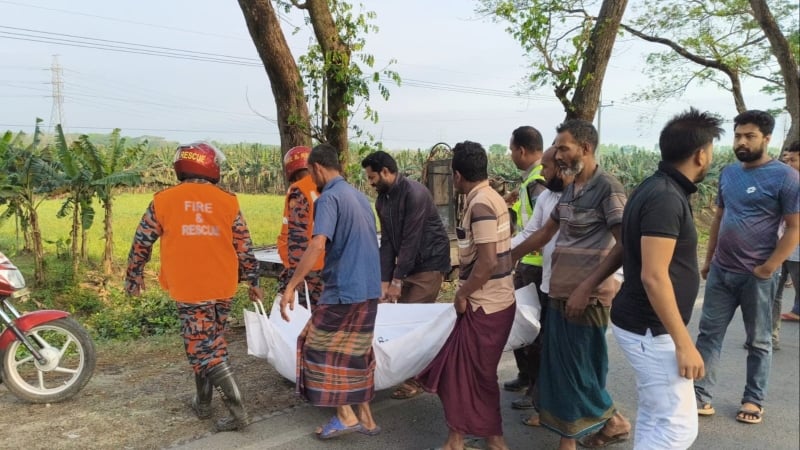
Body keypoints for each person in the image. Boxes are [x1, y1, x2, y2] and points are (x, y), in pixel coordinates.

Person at [124, 141, 263, 432]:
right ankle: (203, 403)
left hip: (190, 288)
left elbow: (141, 242)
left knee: (203, 349)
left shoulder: (164, 200)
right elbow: (245, 247)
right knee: (210, 344)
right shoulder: (228, 201)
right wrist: (253, 280)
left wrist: (133, 276)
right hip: (223, 286)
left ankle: (238, 412)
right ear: (209, 166)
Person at [512, 119, 631, 450]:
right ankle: (577, 438)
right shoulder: (571, 188)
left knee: (581, 372)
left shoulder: (608, 187)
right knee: (563, 372)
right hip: (560, 293)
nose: (558, 154)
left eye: (563, 147)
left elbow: (625, 245)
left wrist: (587, 286)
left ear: (586, 148)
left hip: (588, 298)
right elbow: (545, 233)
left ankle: (612, 423)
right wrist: (507, 257)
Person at [611, 108, 721, 449]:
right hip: (650, 328)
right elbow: (654, 276)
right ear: (701, 154)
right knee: (677, 428)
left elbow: (628, 251)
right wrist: (685, 344)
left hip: (645, 325)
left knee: (657, 414)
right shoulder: (664, 197)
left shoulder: (657, 187)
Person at [694, 110, 799, 425]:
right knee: (708, 335)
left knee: (759, 341)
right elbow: (719, 218)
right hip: (721, 272)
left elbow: (794, 227)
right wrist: (709, 258)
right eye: (738, 135)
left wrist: (769, 267)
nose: (741, 141)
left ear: (766, 139)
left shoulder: (786, 177)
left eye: (749, 136)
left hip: (758, 277)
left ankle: (753, 399)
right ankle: (700, 396)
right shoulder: (729, 173)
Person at [279, 143, 382, 439]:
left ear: (317, 168)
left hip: (344, 290)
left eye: (311, 173)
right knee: (356, 353)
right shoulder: (359, 197)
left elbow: (317, 243)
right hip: (369, 287)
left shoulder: (329, 198)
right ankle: (367, 417)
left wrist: (292, 286)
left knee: (318, 349)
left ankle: (345, 415)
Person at [416, 141, 515, 450]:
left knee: (470, 376)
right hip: (492, 301)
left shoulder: (481, 204)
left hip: (485, 304)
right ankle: (459, 439)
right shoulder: (489, 197)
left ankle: (489, 441)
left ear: (457, 175)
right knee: (466, 374)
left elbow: (486, 261)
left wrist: (462, 293)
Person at [360, 150, 451, 400]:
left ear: (387, 172)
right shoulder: (383, 202)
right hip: (408, 266)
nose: (370, 183)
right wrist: (384, 282)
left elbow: (411, 239)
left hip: (429, 263)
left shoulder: (415, 193)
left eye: (372, 177)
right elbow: (388, 243)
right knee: (404, 319)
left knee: (412, 321)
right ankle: (420, 373)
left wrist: (397, 281)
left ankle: (416, 379)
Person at [512, 145, 574, 427]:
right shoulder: (548, 196)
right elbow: (532, 232)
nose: (543, 173)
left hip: (571, 288)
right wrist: (505, 252)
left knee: (565, 353)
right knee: (545, 345)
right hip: (548, 281)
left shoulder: (579, 197)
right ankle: (548, 407)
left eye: (547, 168)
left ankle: (568, 413)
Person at [502, 126, 547, 407]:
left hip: (535, 266)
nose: (510, 155)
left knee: (532, 328)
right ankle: (525, 377)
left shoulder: (537, 182)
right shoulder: (530, 179)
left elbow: (544, 227)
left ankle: (536, 389)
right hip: (527, 262)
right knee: (519, 322)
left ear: (521, 150)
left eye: (511, 150)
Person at [276, 146, 324, 308]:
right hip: (330, 265)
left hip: (307, 267)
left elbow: (296, 236)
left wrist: (294, 274)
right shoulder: (330, 186)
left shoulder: (299, 189)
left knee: (300, 316)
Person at [778, 141, 800, 323]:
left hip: (796, 252)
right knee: (773, 294)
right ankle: (768, 338)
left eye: (793, 160)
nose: (789, 165)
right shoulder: (787, 183)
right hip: (780, 247)